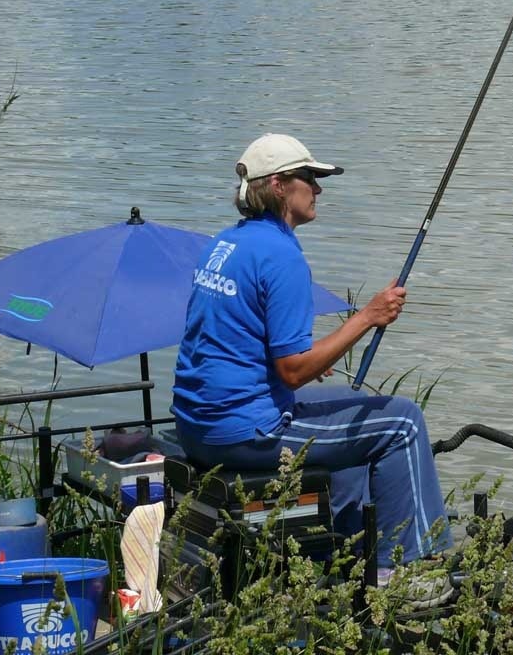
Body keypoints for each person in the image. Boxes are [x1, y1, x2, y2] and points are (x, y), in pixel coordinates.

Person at [171, 133, 450, 568]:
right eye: (310, 178)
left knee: (357, 402)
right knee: (403, 423)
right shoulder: (283, 257)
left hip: (197, 425)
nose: (318, 189)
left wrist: (314, 356)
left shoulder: (225, 244)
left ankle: (343, 543)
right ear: (279, 185)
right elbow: (294, 372)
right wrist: (369, 315)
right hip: (245, 433)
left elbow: (231, 337)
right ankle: (408, 567)